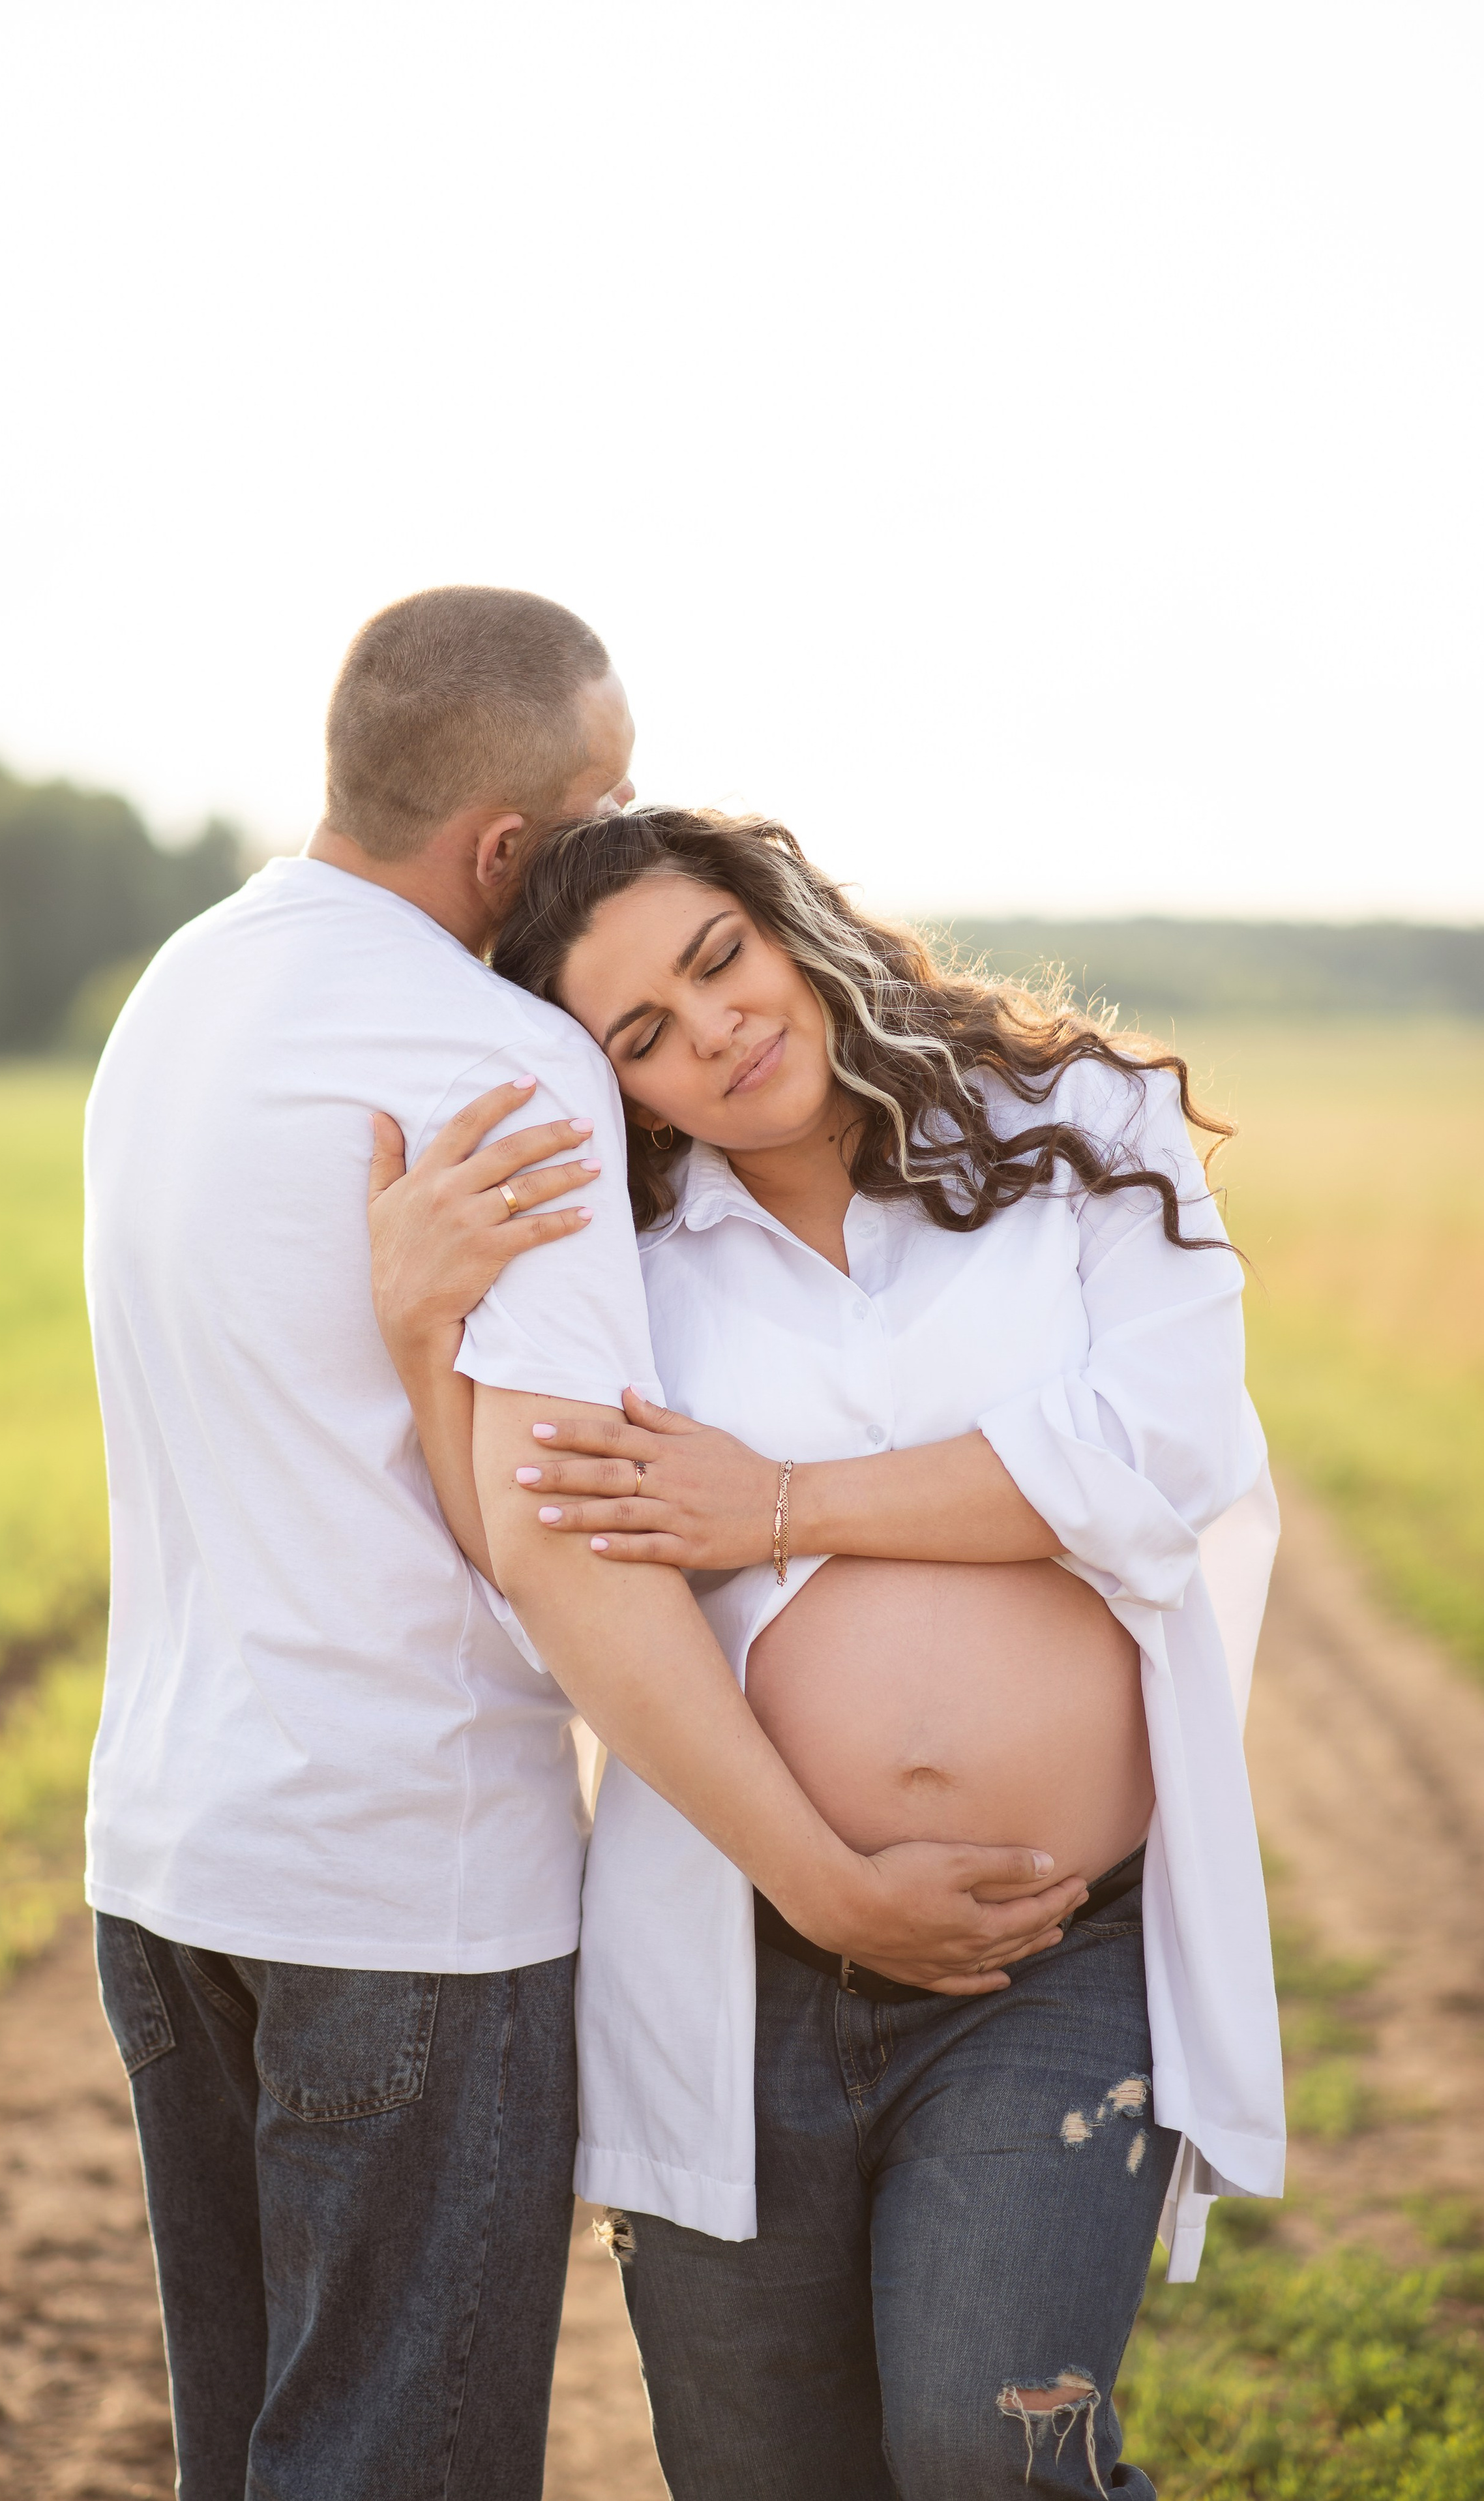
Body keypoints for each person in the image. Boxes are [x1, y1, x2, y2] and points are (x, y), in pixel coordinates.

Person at [82, 597, 1086, 2501]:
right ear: (503, 852)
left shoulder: (178, 997)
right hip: (404, 1883)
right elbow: (573, 1547)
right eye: (602, 798)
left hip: (166, 1856)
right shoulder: (500, 1063)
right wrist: (826, 1877)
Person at [367, 805, 1285, 2500]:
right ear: (611, 1083)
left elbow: (1162, 1450)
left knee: (987, 2452)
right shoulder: (622, 1267)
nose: (711, 1030)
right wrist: (431, 1338)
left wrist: (778, 1501)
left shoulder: (1082, 1120)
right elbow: (549, 1587)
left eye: (718, 958)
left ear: (790, 921)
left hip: (1048, 1951)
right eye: (638, 1033)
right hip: (732, 1954)